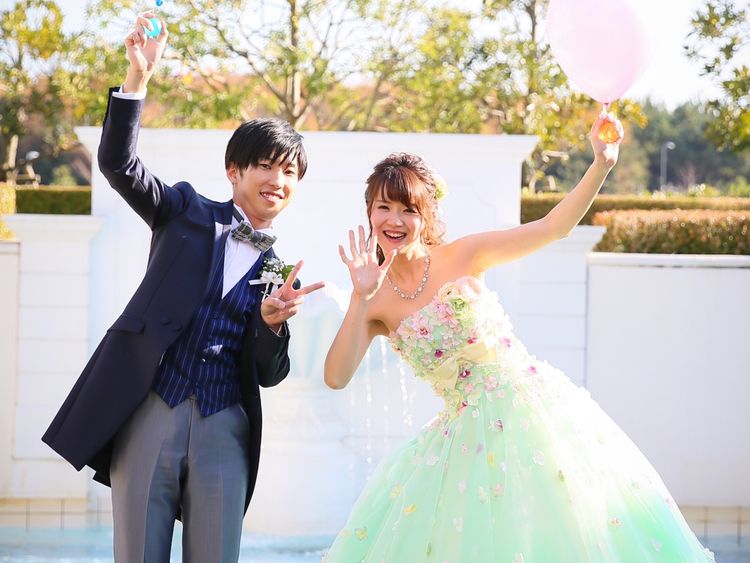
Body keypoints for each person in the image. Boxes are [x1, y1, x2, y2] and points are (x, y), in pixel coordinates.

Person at [323, 115, 715, 561]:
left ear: (426, 215)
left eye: (408, 209)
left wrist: (601, 165)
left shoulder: (464, 254)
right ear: (369, 213)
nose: (395, 220)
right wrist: (359, 297)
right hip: (462, 440)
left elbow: (551, 228)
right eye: (383, 207)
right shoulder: (373, 301)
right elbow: (335, 378)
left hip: (534, 415)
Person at [41, 13, 323, 563]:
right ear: (234, 172)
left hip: (226, 426)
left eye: (290, 173)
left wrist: (272, 326)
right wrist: (137, 80)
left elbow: (268, 374)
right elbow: (119, 165)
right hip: (152, 407)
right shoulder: (186, 211)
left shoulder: (280, 271)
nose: (278, 180)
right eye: (266, 166)